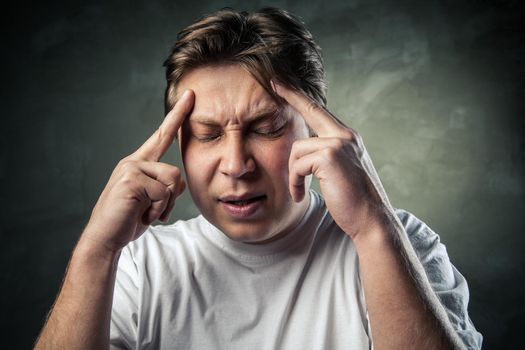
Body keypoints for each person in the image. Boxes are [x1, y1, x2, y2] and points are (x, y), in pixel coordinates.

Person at [35, 7, 482, 350]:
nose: (236, 164)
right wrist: (96, 251)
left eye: (266, 129)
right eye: (206, 135)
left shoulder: (399, 244)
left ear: (316, 129)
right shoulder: (137, 266)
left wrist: (372, 227)